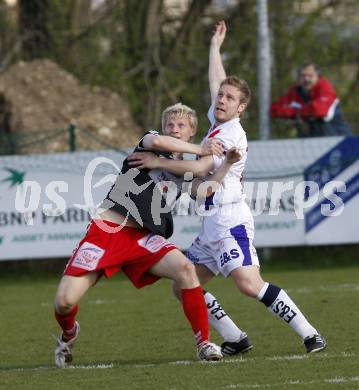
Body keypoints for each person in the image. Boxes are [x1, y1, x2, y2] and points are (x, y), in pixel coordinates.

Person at [129, 21, 327, 355]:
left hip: (230, 221)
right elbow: (216, 83)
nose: (221, 99)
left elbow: (202, 167)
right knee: (183, 283)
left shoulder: (229, 134)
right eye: (221, 95)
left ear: (241, 107)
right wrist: (215, 48)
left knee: (249, 284)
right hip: (210, 227)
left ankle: (310, 334)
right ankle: (235, 337)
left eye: (229, 97)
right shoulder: (216, 125)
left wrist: (158, 162)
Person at [53, 102, 243, 368]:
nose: (174, 130)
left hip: (144, 239)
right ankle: (69, 333)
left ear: (191, 132)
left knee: (186, 269)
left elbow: (205, 189)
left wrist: (227, 166)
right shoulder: (149, 144)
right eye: (170, 125)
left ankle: (204, 343)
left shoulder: (183, 170)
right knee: (64, 302)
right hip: (109, 231)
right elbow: (160, 140)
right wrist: (200, 149)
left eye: (181, 126)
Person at [271, 62, 352, 137]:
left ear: (318, 76)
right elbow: (275, 109)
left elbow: (319, 110)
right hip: (310, 140)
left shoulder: (325, 88)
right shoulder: (296, 92)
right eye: (303, 76)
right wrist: (299, 115)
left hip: (338, 140)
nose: (306, 79)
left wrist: (297, 113)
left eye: (310, 76)